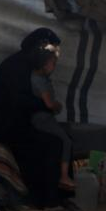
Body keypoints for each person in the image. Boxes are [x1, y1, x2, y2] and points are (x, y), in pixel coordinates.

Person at [0, 27, 79, 211]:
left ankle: (62, 197)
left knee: (63, 139)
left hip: (22, 122)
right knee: (52, 144)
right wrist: (48, 107)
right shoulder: (15, 67)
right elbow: (18, 102)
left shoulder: (30, 66)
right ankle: (49, 202)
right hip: (5, 126)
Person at [29, 46, 75, 191]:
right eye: (53, 63)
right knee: (66, 141)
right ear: (44, 64)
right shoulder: (40, 81)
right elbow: (49, 103)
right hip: (43, 119)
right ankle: (64, 176)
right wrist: (57, 105)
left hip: (43, 119)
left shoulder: (37, 77)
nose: (54, 67)